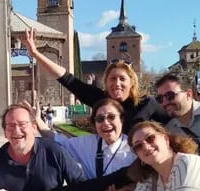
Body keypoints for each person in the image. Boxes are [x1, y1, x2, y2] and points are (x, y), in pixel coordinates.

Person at [25, 28, 168, 133]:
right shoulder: (100, 100)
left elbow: (173, 125)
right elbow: (66, 78)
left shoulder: (146, 103)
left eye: (122, 79)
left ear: (132, 83)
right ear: (106, 82)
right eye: (112, 79)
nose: (117, 83)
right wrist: (36, 54)